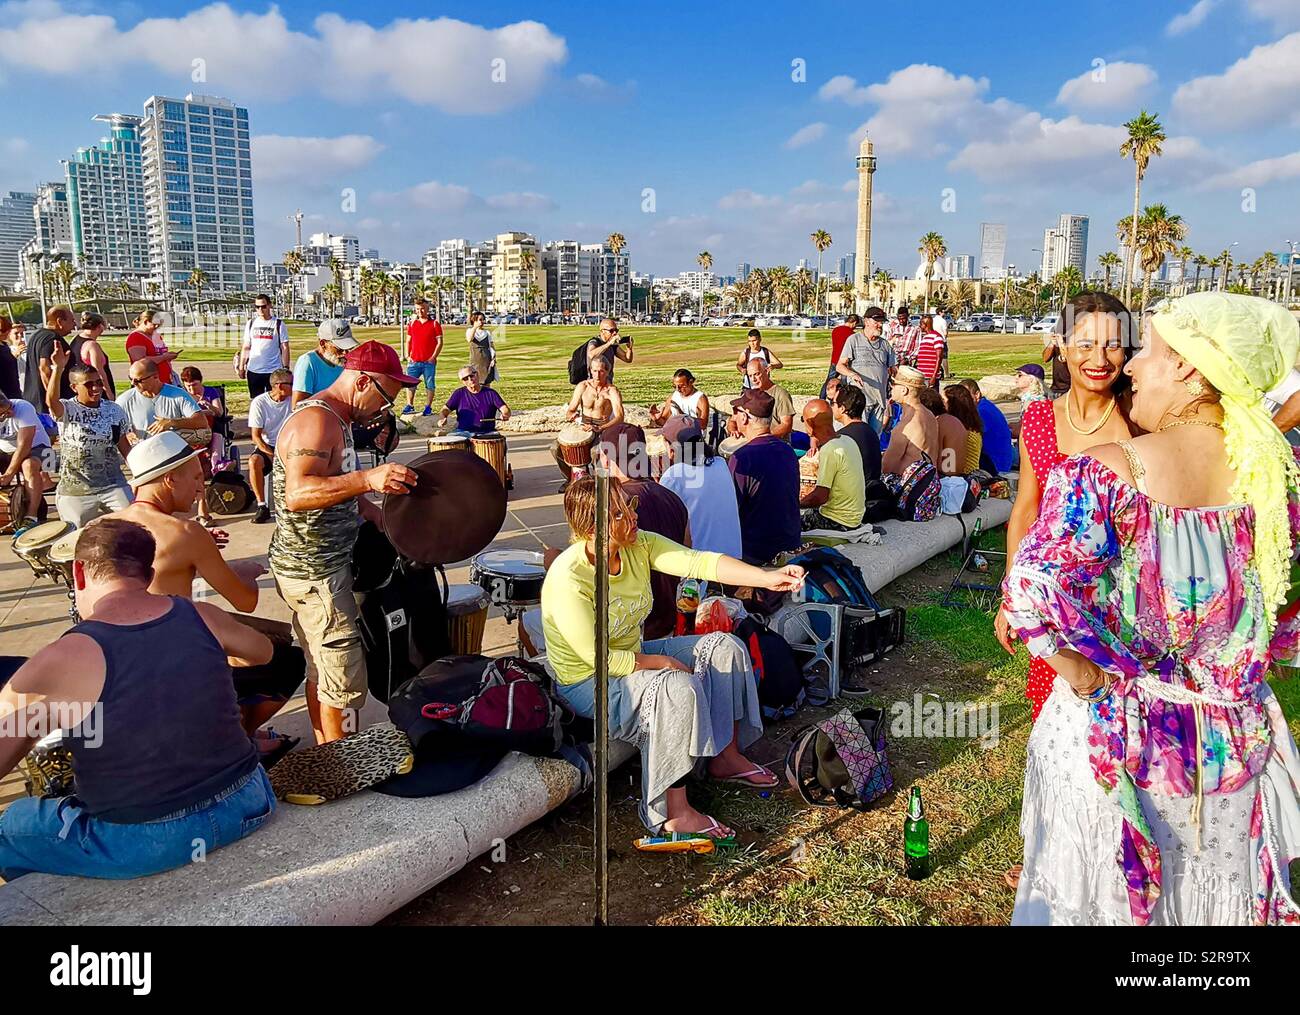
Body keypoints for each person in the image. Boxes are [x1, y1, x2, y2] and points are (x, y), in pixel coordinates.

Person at [1001, 292, 1300, 926]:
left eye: (1149, 352)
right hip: (1227, 755)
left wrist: (1082, 675)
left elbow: (1030, 588)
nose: (1130, 366)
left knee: (1097, 902)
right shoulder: (1271, 477)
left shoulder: (1111, 471)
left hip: (1119, 746)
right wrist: (1261, 651)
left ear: (1191, 368)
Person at [0, 518, 277, 881]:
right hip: (249, 800)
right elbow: (264, 651)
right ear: (147, 575)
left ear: (78, 573)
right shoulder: (200, 615)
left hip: (145, 840)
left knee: (14, 824)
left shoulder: (60, 658)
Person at [540, 476, 805, 837]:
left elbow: (699, 562)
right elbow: (596, 659)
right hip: (588, 680)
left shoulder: (637, 546)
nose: (632, 518)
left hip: (631, 656)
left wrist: (766, 577)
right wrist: (661, 663)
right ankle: (672, 811)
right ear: (591, 526)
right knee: (675, 687)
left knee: (724, 648)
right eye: (618, 514)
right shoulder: (568, 578)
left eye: (630, 508)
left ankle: (724, 758)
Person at [106, 432, 302, 755]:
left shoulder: (104, 527)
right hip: (179, 669)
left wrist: (199, 556)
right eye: (196, 477)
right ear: (170, 479)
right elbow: (246, 600)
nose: (202, 487)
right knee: (288, 660)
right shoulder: (185, 533)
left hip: (125, 670)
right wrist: (244, 571)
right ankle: (239, 738)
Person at [997, 293, 1136, 726]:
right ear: (1061, 344)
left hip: (1126, 602)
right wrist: (1012, 594)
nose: (1099, 358)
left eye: (1113, 344)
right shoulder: (1039, 418)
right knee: (1059, 721)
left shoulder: (1140, 418)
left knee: (1124, 726)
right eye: (1086, 343)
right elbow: (1025, 510)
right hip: (1057, 599)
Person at [270, 341, 418, 744]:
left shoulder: (338, 418)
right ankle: (338, 760)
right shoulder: (317, 421)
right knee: (341, 675)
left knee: (324, 667)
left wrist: (374, 512)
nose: (384, 408)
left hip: (328, 564)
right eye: (385, 396)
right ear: (363, 382)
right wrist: (367, 479)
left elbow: (337, 483)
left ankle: (328, 749)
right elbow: (297, 494)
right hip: (316, 572)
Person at [594, 424, 691, 640]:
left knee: (530, 624)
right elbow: (687, 554)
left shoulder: (612, 507)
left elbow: (594, 569)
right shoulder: (673, 498)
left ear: (607, 459)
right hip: (671, 621)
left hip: (630, 630)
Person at [45, 347, 132, 527]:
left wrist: (140, 474)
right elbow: (52, 403)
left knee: (134, 527)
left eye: (98, 382)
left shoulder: (114, 410)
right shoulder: (68, 409)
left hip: (113, 485)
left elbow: (124, 447)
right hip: (75, 490)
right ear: (74, 387)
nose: (96, 388)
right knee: (74, 537)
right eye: (89, 384)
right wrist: (57, 369)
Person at [727, 388, 800, 565]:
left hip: (756, 551)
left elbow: (730, 510)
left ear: (745, 417)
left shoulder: (742, 458)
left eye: (736, 412)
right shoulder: (788, 451)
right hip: (790, 543)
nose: (734, 417)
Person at [659, 415, 743, 558]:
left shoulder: (673, 476)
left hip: (702, 567)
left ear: (671, 447)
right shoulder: (720, 463)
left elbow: (664, 528)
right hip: (733, 559)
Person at [799, 399, 866, 533]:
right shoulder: (848, 440)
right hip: (854, 519)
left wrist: (793, 504)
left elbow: (820, 497)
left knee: (784, 524)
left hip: (837, 521)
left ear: (810, 424)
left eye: (803, 420)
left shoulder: (830, 449)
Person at [836, 306, 895, 433]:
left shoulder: (885, 345)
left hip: (879, 400)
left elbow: (893, 370)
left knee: (874, 438)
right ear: (866, 321)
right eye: (876, 321)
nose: (880, 325)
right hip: (860, 401)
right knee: (860, 435)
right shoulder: (854, 340)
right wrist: (852, 374)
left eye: (881, 322)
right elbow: (840, 366)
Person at [118, 359, 208, 443]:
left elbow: (201, 421)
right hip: (142, 452)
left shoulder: (178, 394)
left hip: (173, 451)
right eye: (131, 378)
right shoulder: (125, 400)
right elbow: (111, 427)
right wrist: (127, 436)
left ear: (155, 377)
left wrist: (172, 422)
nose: (132, 383)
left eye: (138, 380)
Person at [0, 394, 55, 529]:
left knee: (28, 465)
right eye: (4, 413)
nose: (11, 412)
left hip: (39, 448)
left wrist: (8, 474)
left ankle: (31, 516)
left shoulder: (23, 407)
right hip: (5, 451)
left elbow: (24, 445)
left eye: (10, 408)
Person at [247, 368, 294, 523]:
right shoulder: (259, 403)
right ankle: (262, 505)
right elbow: (256, 436)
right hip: (270, 446)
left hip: (290, 444)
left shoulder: (294, 400)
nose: (294, 387)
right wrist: (272, 456)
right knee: (254, 462)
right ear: (279, 386)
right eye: (291, 384)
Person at [881, 365, 940, 477]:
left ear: (904, 390)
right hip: (928, 484)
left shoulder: (906, 425)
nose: (891, 387)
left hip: (909, 488)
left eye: (893, 384)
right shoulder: (929, 415)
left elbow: (886, 467)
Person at [293, 319, 359, 407]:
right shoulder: (307, 362)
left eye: (348, 348)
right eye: (340, 348)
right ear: (323, 343)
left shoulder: (343, 362)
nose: (345, 353)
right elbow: (297, 406)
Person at [22, 306, 76, 413]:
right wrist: (53, 401)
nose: (74, 325)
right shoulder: (52, 339)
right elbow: (45, 369)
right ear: (59, 321)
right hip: (46, 408)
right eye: (72, 321)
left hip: (33, 400)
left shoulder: (36, 336)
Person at [730, 357, 796, 443]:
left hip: (775, 444)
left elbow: (786, 425)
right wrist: (733, 429)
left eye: (757, 374)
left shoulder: (781, 394)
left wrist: (763, 437)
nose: (753, 379)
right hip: (752, 443)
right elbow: (732, 420)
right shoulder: (749, 394)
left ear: (767, 371)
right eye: (750, 376)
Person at [958, 377, 1014, 475]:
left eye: (966, 396)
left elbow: (966, 437)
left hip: (995, 465)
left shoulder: (982, 411)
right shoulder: (985, 406)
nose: (962, 400)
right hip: (1000, 460)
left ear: (977, 395)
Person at [240, 295, 290, 400]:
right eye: (257, 307)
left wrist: (285, 368)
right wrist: (241, 366)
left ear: (269, 306)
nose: (260, 309)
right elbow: (246, 347)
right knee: (256, 401)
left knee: (274, 400)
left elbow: (284, 347)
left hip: (273, 371)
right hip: (254, 371)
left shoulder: (278, 324)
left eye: (263, 306)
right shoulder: (251, 323)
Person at [831, 382, 882, 482]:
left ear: (842, 409)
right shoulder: (871, 431)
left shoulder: (841, 438)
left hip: (854, 493)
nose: (831, 407)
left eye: (833, 403)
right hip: (873, 488)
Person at [442, 364, 510, 434]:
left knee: (497, 438)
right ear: (462, 382)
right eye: (465, 379)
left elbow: (505, 409)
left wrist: (505, 414)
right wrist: (443, 418)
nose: (470, 380)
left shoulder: (491, 393)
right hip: (463, 432)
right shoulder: (458, 393)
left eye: (471, 376)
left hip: (487, 432)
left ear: (477, 374)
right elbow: (445, 409)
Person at [403, 297, 443, 416]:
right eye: (418, 309)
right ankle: (410, 405)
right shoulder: (412, 324)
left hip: (428, 362)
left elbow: (440, 342)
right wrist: (407, 355)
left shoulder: (434, 324)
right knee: (410, 384)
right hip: (414, 361)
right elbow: (408, 341)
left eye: (423, 309)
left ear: (427, 309)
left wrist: (433, 357)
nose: (420, 311)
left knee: (429, 384)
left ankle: (428, 407)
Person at [67, 312, 116, 401]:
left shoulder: (75, 339)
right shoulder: (92, 345)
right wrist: (109, 392)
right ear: (100, 326)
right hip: (96, 388)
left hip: (82, 384)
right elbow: (99, 371)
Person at [125, 309, 178, 387]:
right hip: (148, 383)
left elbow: (159, 353)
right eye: (155, 324)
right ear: (146, 322)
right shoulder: (136, 337)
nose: (157, 327)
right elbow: (140, 361)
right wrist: (164, 357)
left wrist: (168, 356)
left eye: (159, 325)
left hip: (164, 381)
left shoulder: (155, 335)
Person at [941, 382, 985, 474]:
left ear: (954, 404)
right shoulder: (972, 426)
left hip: (963, 477)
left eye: (943, 400)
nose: (941, 403)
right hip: (973, 475)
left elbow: (949, 467)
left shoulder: (958, 430)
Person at [826, 313, 860, 395]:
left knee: (829, 381)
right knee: (845, 382)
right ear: (854, 323)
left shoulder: (835, 330)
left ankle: (822, 397)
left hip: (834, 360)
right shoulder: (852, 335)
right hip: (844, 362)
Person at [465, 311, 498, 386]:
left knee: (487, 382)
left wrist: (493, 358)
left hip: (486, 360)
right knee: (475, 381)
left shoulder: (487, 332)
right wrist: (475, 327)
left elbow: (492, 346)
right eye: (480, 319)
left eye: (483, 319)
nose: (482, 322)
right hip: (475, 360)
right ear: (474, 320)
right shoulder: (469, 331)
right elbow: (469, 339)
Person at [915, 314, 946, 387]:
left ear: (925, 325)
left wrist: (934, 376)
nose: (920, 326)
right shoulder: (925, 337)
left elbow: (939, 357)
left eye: (921, 324)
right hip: (922, 375)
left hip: (930, 376)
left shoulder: (937, 337)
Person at [0, 318, 21, 399]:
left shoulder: (5, 345)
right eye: (2, 330)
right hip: (4, 395)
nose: (7, 332)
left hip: (14, 390)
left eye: (7, 329)